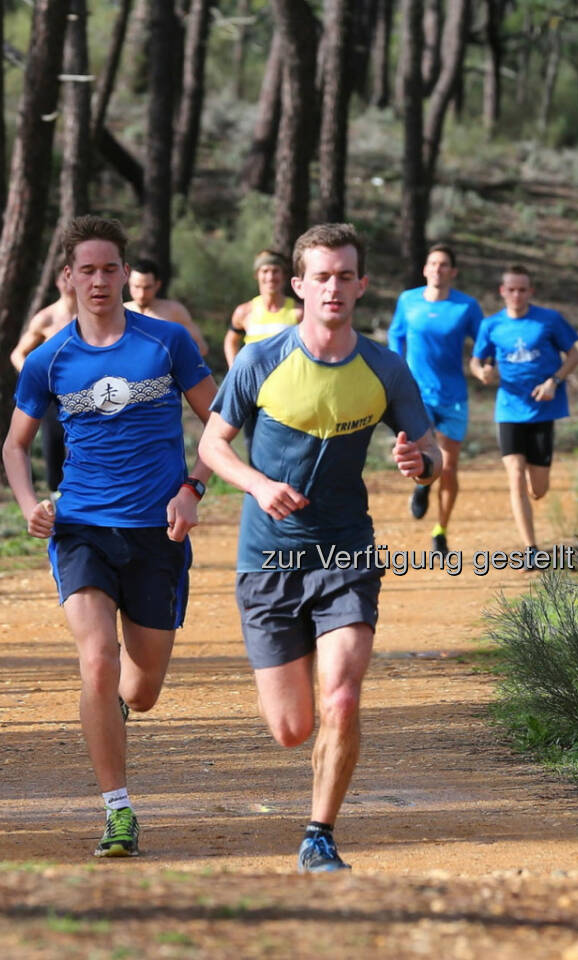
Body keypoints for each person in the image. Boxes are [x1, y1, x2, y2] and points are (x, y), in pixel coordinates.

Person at [198, 222, 440, 873]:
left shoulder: (384, 368)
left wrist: (420, 461)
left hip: (344, 555)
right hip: (268, 560)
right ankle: (311, 748)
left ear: (361, 284)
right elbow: (211, 445)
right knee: (292, 728)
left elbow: (434, 447)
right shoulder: (260, 359)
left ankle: (319, 833)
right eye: (321, 276)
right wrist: (256, 484)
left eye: (345, 276)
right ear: (299, 284)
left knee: (342, 697)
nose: (333, 287)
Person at [1, 215, 217, 859]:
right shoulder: (49, 358)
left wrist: (194, 487)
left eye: (109, 268)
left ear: (127, 274)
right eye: (85, 270)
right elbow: (15, 446)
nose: (98, 280)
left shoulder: (168, 342)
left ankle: (115, 709)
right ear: (67, 278)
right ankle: (118, 812)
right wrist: (27, 506)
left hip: (158, 532)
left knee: (141, 691)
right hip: (82, 528)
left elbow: (221, 422)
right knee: (96, 658)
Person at [468, 265, 578, 562]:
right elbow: (476, 362)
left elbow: (574, 355)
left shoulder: (549, 320)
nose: (516, 295)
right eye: (511, 289)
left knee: (538, 489)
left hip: (543, 411)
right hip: (509, 409)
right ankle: (531, 550)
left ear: (531, 291)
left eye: (522, 289)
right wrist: (483, 373)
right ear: (502, 292)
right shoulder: (491, 326)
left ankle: (535, 491)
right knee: (515, 476)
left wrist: (554, 382)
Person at [387, 243, 483, 554]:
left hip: (453, 396)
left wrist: (483, 363)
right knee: (423, 454)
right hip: (416, 395)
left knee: (451, 467)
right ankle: (421, 485)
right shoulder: (408, 301)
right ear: (425, 269)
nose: (437, 269)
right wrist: (395, 369)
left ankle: (441, 529)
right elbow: (395, 336)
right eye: (433, 264)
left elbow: (483, 341)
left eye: (444, 265)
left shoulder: (466, 306)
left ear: (452, 272)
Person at [10, 263, 75, 494]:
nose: (68, 284)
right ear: (58, 282)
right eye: (64, 279)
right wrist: (34, 378)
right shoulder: (47, 318)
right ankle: (57, 499)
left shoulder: (93, 316)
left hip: (86, 392)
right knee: (54, 445)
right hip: (53, 394)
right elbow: (18, 353)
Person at [224, 250, 303, 368]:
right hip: (253, 384)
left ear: (284, 275)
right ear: (257, 275)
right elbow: (231, 341)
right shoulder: (244, 312)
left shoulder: (299, 313)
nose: (270, 277)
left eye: (275, 271)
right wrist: (234, 369)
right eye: (265, 271)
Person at [125, 258, 210, 356]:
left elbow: (201, 347)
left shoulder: (174, 311)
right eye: (137, 287)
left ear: (157, 285)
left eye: (147, 287)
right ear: (129, 283)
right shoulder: (119, 311)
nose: (142, 294)